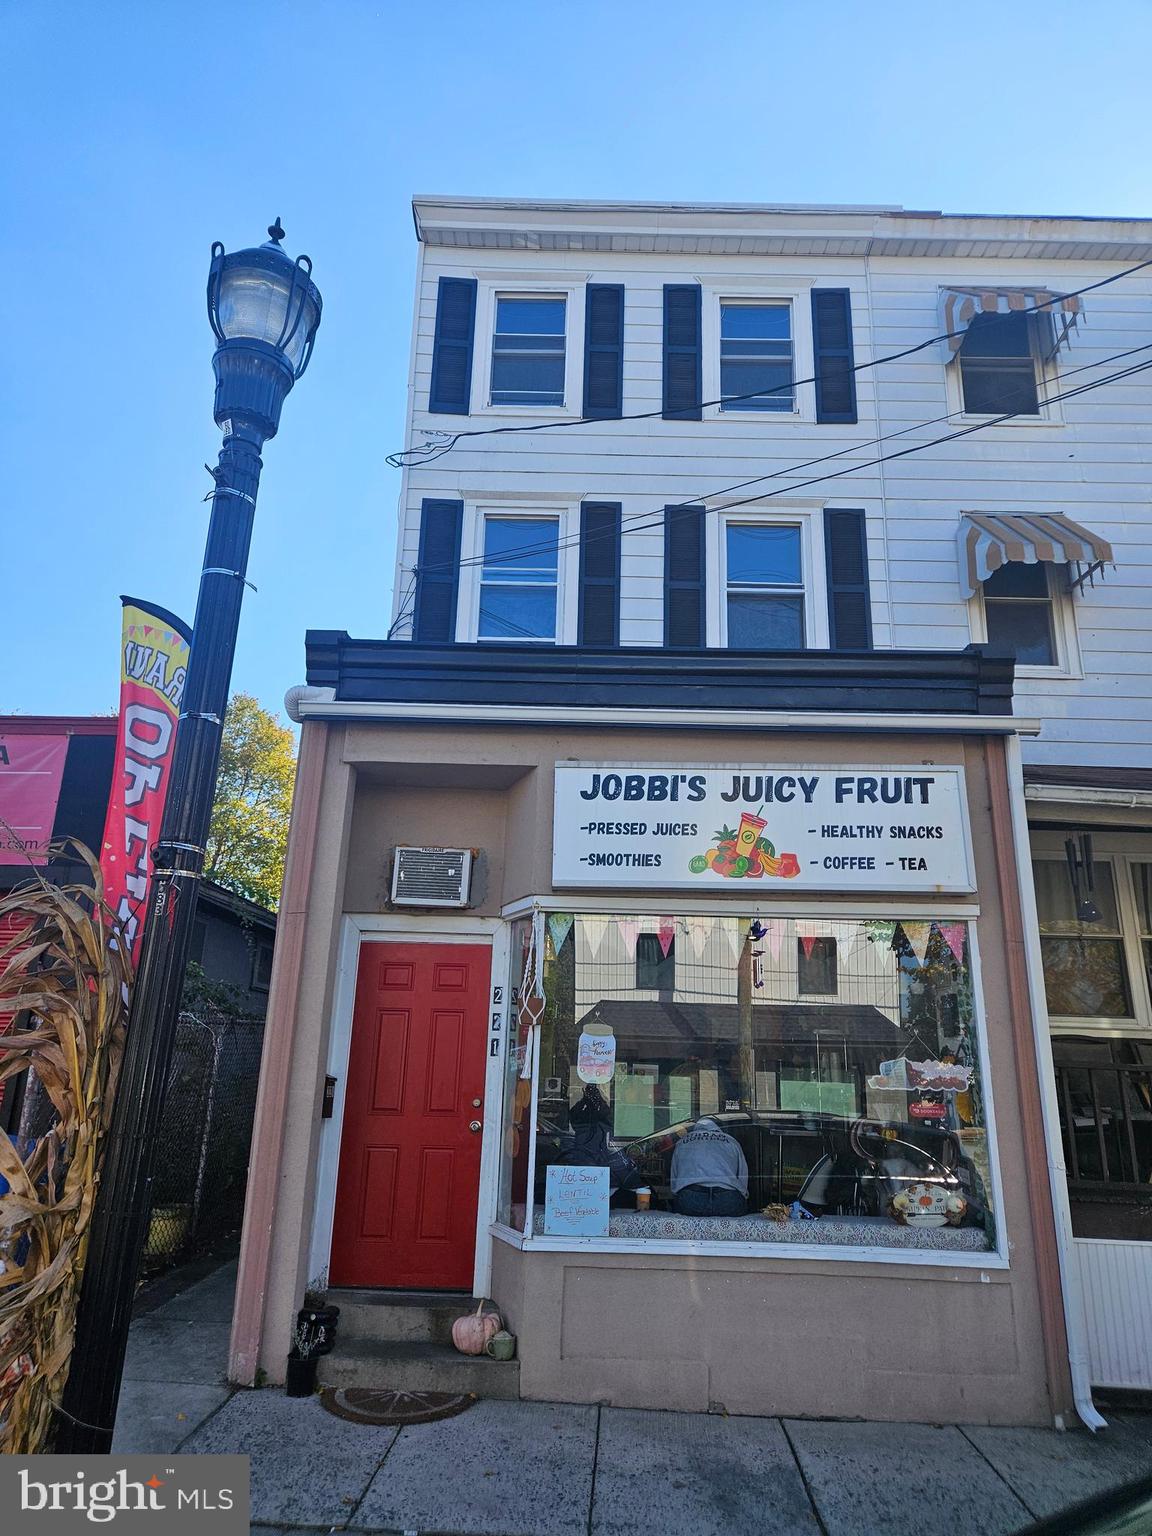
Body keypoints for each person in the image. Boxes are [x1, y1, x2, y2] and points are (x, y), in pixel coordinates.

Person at [670, 1117, 749, 1216]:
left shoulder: (683, 1142)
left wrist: (676, 1195)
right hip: (727, 1199)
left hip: (690, 1199)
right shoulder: (731, 1141)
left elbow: (674, 1176)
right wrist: (742, 1195)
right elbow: (743, 1175)